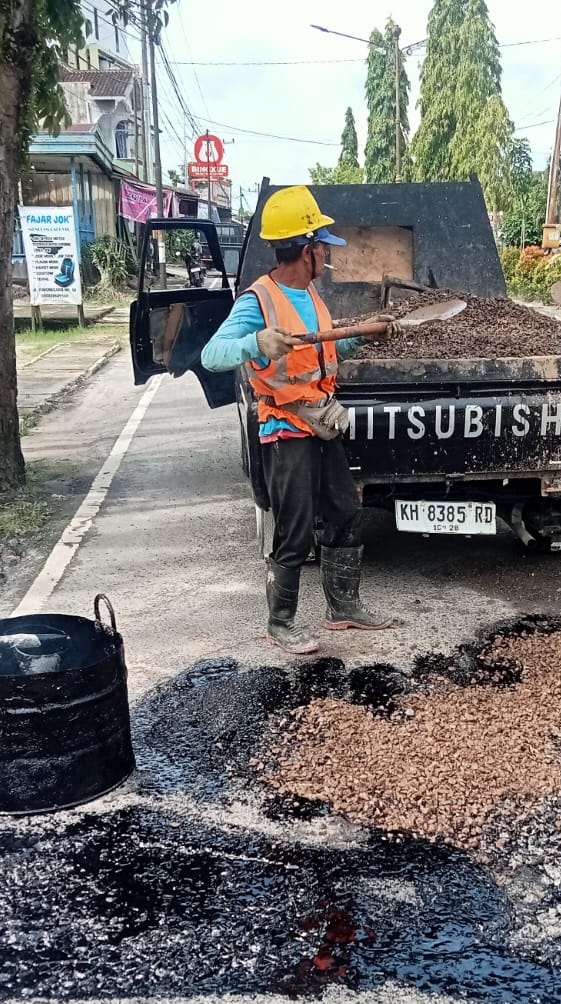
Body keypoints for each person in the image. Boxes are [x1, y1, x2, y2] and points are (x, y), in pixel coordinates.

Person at [200, 185, 398, 655]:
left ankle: (343, 607)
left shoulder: (310, 294)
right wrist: (254, 344)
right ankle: (280, 622)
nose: (328, 254)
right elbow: (212, 354)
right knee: (295, 527)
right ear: (306, 248)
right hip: (286, 429)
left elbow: (323, 348)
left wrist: (362, 336)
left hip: (322, 421)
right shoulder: (258, 301)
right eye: (322, 245)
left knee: (346, 510)